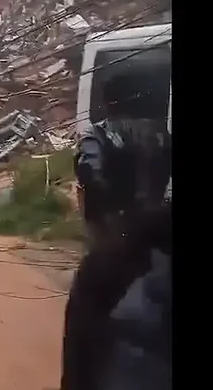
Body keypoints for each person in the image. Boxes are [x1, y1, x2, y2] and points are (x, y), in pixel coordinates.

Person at [61, 80, 171, 390]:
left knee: (94, 305)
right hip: (157, 232)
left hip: (117, 232)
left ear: (108, 103)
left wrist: (104, 210)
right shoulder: (162, 133)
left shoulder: (99, 133)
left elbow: (88, 171)